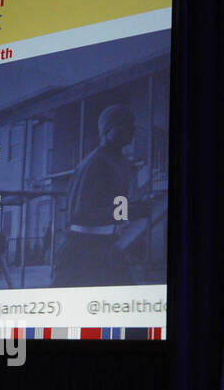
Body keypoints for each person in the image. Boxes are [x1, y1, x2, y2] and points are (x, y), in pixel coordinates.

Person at [54, 103, 151, 288]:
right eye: (124, 125)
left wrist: (134, 207)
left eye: (132, 125)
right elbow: (81, 213)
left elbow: (117, 206)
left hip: (107, 247)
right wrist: (131, 211)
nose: (130, 130)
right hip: (81, 250)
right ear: (108, 130)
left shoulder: (120, 163)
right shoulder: (94, 163)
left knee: (126, 303)